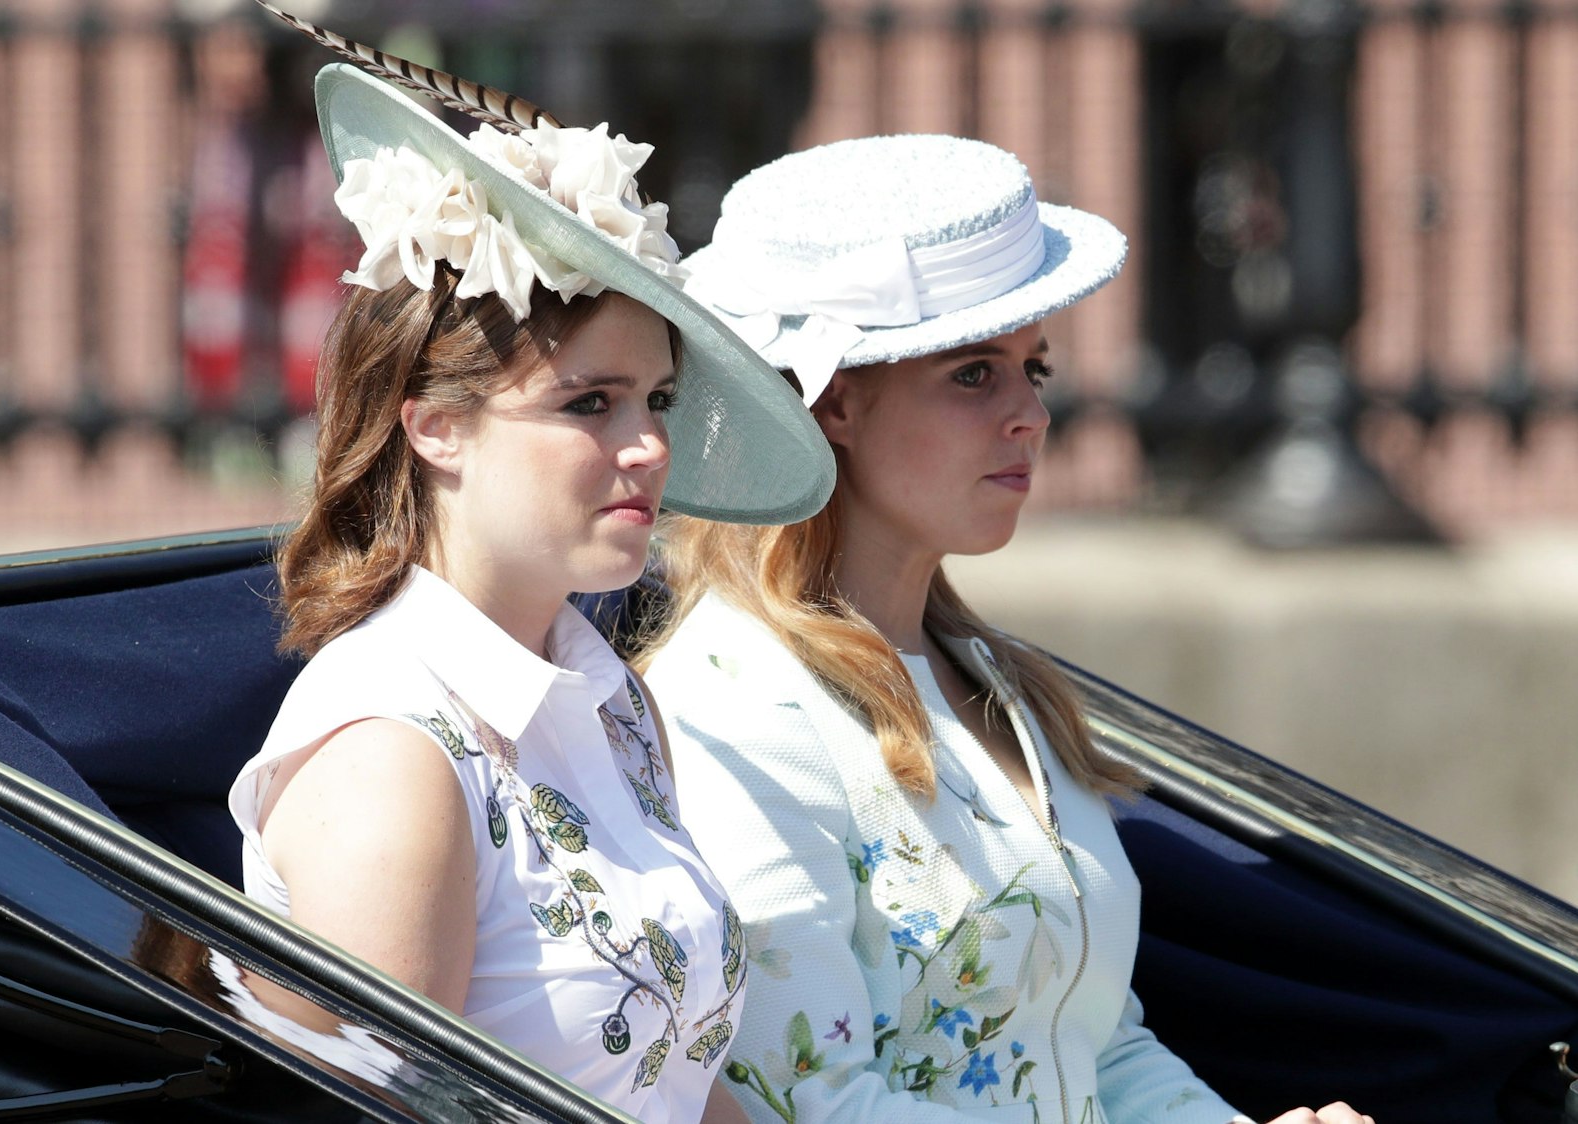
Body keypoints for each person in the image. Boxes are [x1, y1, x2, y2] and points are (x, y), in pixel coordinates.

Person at [641, 135, 1371, 1124]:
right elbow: (808, 1101)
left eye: (1037, 367)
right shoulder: (731, 704)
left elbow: (1097, 1039)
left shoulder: (1004, 685)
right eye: (974, 375)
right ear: (836, 400)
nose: (1031, 413)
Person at [225, 14, 836, 1122]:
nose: (648, 444)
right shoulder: (390, 754)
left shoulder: (609, 692)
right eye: (587, 402)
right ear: (435, 426)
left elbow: (684, 1084)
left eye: (655, 399)